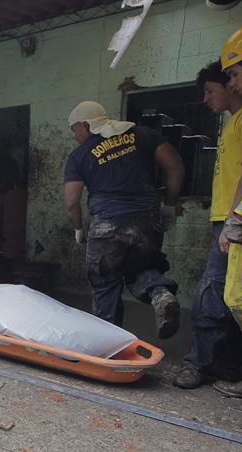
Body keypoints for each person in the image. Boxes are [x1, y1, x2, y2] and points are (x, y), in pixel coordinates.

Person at [64, 101, 185, 338]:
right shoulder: (144, 135)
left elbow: (71, 202)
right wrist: (170, 204)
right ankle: (161, 294)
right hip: (147, 221)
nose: (75, 136)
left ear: (86, 125)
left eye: (74, 130)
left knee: (106, 285)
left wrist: (78, 228)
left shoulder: (79, 155)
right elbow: (176, 167)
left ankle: (108, 344)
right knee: (143, 268)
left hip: (107, 226)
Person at [172, 62, 242, 389]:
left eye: (211, 90)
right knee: (234, 297)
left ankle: (198, 365)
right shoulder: (235, 121)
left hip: (235, 220)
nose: (206, 99)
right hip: (231, 218)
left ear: (231, 85)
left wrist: (234, 219)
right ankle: (228, 367)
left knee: (211, 292)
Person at [214, 22, 242, 435]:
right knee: (240, 298)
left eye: (234, 73)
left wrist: (237, 221)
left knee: (239, 297)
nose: (234, 83)